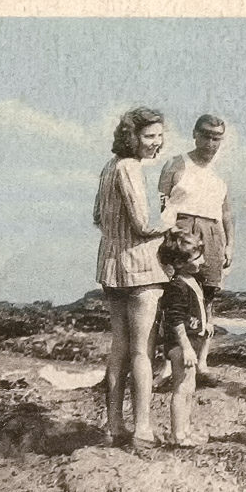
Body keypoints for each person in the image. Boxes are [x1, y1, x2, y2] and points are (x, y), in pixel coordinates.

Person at [93, 106, 172, 449]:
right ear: (132, 137)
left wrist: (118, 233)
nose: (156, 142)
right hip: (141, 267)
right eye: (149, 136)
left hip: (111, 263)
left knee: (119, 348)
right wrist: (170, 215)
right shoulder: (130, 168)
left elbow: (97, 215)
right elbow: (143, 224)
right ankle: (142, 428)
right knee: (143, 351)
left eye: (159, 135)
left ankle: (114, 424)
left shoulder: (108, 168)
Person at [158, 114, 234, 377]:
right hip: (181, 229)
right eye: (206, 136)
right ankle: (168, 362)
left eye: (217, 138)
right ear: (195, 134)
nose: (211, 143)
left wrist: (230, 245)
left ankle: (202, 362)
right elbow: (160, 202)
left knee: (207, 296)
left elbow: (226, 214)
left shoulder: (218, 176)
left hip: (212, 234)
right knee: (172, 294)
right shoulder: (176, 164)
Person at [157, 228, 212, 447]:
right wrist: (186, 347)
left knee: (189, 386)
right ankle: (178, 434)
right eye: (197, 257)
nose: (203, 260)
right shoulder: (177, 285)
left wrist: (204, 326)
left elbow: (194, 310)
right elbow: (175, 318)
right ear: (179, 263)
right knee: (182, 387)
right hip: (182, 345)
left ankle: (186, 429)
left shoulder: (192, 279)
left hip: (192, 341)